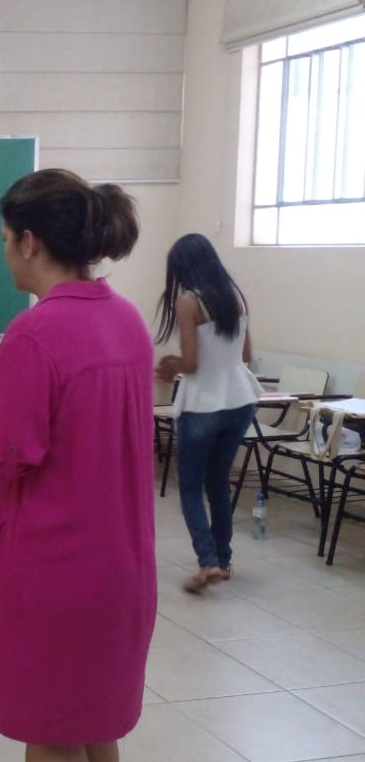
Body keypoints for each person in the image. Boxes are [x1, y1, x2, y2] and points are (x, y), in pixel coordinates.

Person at [0, 169, 156, 762]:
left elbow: (9, 451)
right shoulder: (125, 319)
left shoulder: (36, 330)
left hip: (57, 568)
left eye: (4, 240)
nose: (4, 253)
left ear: (30, 241)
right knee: (95, 725)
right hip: (121, 562)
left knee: (51, 735)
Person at [154, 232, 261, 593]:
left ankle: (208, 562)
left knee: (189, 486)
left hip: (204, 403)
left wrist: (171, 364)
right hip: (240, 400)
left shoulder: (189, 301)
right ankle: (223, 559)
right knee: (218, 482)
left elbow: (192, 364)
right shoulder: (234, 295)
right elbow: (246, 355)